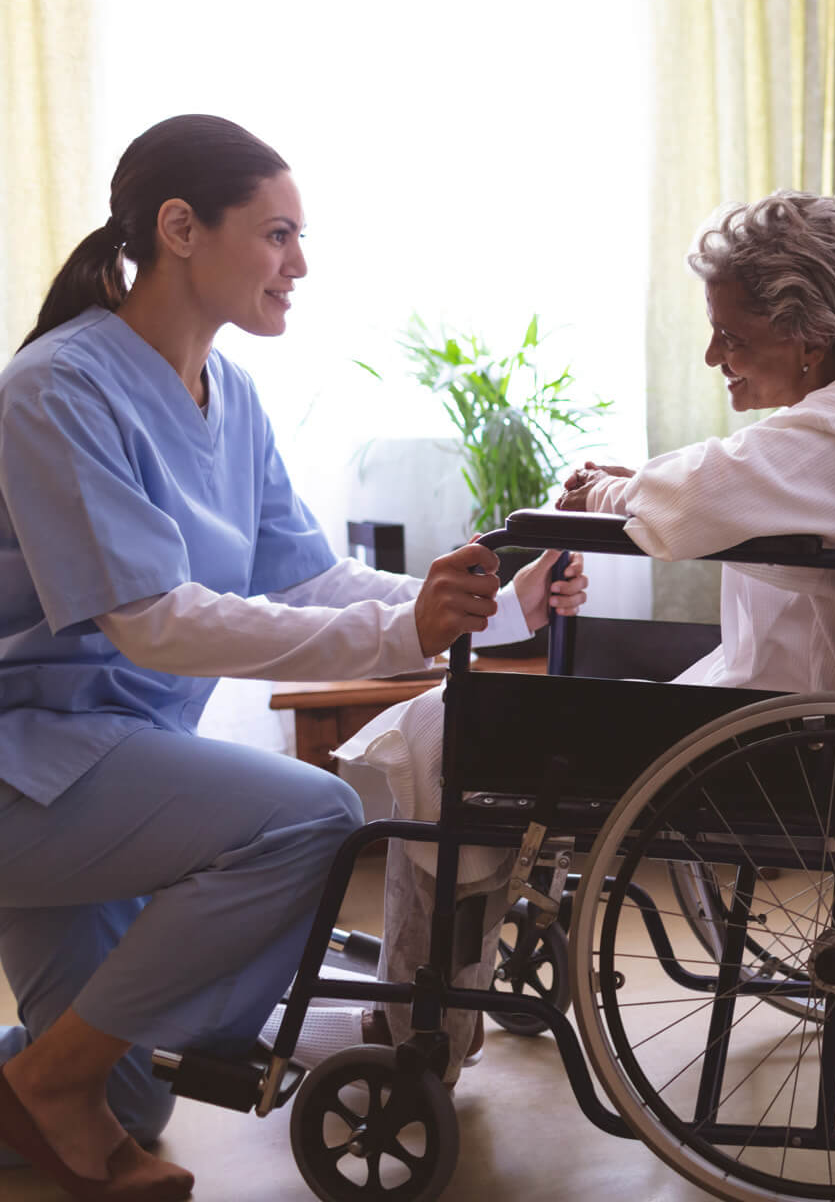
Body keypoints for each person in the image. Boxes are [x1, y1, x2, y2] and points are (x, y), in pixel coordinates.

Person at [0, 115, 584, 1201]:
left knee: (131, 1101)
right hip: (27, 768)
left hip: (107, 761)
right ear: (181, 228)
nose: (299, 264)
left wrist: (491, 610)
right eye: (277, 234)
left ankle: (48, 1078)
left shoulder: (231, 397)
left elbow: (305, 578)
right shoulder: (58, 388)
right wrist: (405, 630)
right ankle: (49, 1079)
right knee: (308, 819)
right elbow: (155, 622)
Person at [337, 189, 835, 1073]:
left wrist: (603, 496)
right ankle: (451, 976)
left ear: (809, 338)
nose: (714, 356)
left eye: (732, 337)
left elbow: (707, 493)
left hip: (768, 748)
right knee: (470, 723)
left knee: (446, 729)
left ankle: (420, 1025)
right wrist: (635, 484)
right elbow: (739, 483)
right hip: (805, 727)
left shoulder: (832, 431)